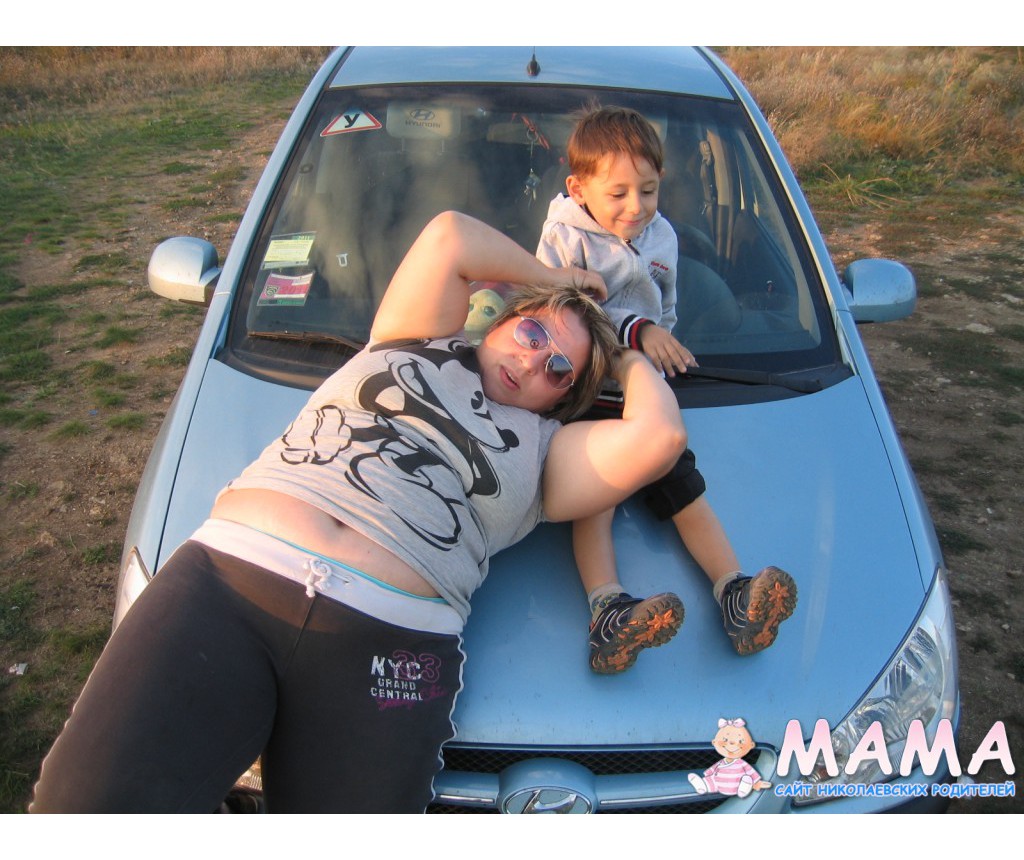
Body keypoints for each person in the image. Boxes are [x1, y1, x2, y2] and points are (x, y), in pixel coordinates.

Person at [30, 211, 687, 813]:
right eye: (533, 331)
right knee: (84, 809)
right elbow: (450, 235)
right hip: (232, 579)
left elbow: (660, 437)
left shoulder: (547, 452)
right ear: (502, 318)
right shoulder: (411, 335)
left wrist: (624, 354)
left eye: (559, 368)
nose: (534, 359)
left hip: (389, 644)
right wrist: (557, 280)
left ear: (562, 399)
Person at [536, 106, 797, 674]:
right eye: (618, 193)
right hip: (587, 400)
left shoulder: (663, 237)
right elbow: (559, 314)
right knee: (596, 502)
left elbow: (666, 306)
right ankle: (608, 612)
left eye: (649, 190)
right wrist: (637, 334)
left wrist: (661, 345)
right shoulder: (563, 237)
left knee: (687, 491)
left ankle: (734, 592)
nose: (636, 207)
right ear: (578, 190)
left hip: (643, 398)